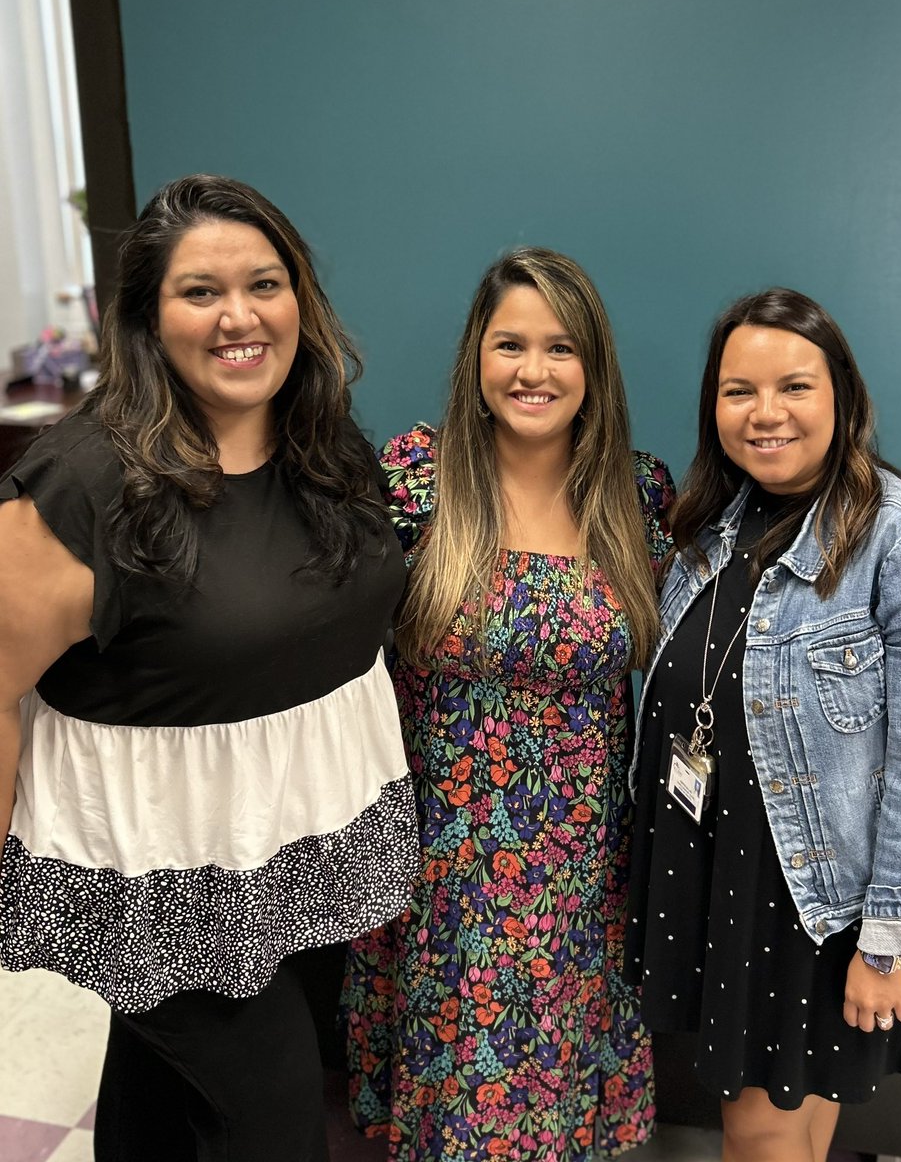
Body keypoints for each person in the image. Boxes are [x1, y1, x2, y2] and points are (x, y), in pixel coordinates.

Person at [0, 174, 419, 1162]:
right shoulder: (80, 491)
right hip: (158, 876)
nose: (240, 316)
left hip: (296, 845)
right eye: (200, 291)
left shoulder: (321, 439)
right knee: (270, 1119)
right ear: (145, 318)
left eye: (264, 284)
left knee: (159, 1094)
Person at [343, 248, 675, 1161]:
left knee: (562, 1110)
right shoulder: (418, 475)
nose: (533, 371)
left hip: (584, 874)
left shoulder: (635, 493)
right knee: (460, 1116)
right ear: (475, 359)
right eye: (510, 345)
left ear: (592, 365)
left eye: (560, 348)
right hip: (444, 867)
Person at [626, 287, 901, 1162]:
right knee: (794, 1136)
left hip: (814, 910)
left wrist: (888, 944)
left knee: (764, 1139)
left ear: (841, 395)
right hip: (722, 879)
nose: (765, 413)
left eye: (795, 387)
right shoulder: (708, 531)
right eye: (739, 391)